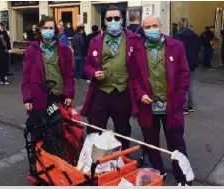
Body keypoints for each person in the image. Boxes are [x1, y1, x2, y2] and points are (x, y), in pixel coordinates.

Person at [134, 15, 191, 186]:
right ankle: (158, 171)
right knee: (151, 143)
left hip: (171, 106)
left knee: (177, 143)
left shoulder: (176, 46)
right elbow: (134, 77)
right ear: (143, 30)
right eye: (147, 27)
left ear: (161, 25)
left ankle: (183, 177)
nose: (151, 29)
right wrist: (140, 93)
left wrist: (179, 96)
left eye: (154, 25)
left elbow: (184, 73)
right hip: (148, 106)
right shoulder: (137, 49)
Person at [80, 6, 141, 150]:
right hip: (101, 92)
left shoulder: (134, 39)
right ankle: (94, 159)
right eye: (109, 19)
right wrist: (93, 73)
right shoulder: (95, 41)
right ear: (105, 22)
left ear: (122, 20)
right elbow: (87, 65)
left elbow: (140, 66)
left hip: (122, 92)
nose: (113, 21)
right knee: (95, 128)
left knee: (123, 129)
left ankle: (123, 158)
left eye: (116, 18)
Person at [22, 16, 74, 114]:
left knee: (58, 126)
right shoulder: (31, 49)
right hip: (38, 95)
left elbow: (69, 74)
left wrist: (69, 94)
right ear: (40, 29)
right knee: (39, 126)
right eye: (45, 28)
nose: (48, 30)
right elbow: (26, 75)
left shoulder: (64, 49)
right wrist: (27, 98)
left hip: (59, 95)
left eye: (51, 28)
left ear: (55, 30)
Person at [174, 18, 200, 115]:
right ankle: (190, 105)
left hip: (182, 62)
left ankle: (184, 107)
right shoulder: (196, 36)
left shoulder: (178, 36)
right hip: (193, 62)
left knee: (182, 84)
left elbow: (175, 51)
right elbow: (198, 49)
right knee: (190, 83)